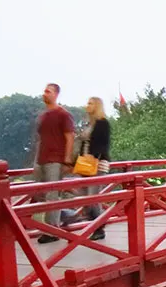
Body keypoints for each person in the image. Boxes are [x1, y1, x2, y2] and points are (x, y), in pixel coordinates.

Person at [34, 83, 75, 244]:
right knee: (39, 194)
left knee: (52, 194)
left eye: (48, 91)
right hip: (42, 159)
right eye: (44, 91)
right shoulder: (43, 116)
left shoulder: (63, 114)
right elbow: (41, 139)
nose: (44, 94)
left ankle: (52, 230)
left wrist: (67, 159)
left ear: (56, 94)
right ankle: (67, 214)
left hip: (55, 159)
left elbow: (69, 136)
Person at [76, 97, 111, 241]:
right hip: (85, 162)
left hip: (97, 162)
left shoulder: (102, 123)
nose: (87, 105)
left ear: (96, 106)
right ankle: (95, 222)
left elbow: (104, 144)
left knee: (92, 197)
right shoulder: (89, 123)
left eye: (90, 103)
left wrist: (95, 156)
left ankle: (99, 227)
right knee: (84, 196)